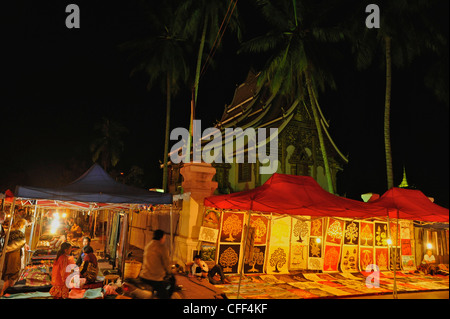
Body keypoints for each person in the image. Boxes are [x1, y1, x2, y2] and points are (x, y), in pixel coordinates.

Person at [139, 229, 174, 299]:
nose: (164, 240)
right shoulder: (162, 248)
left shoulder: (148, 246)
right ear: (161, 238)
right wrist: (170, 272)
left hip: (143, 276)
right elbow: (166, 263)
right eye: (164, 238)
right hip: (154, 279)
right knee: (165, 295)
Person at [0, 218, 28, 296]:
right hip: (14, 256)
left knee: (8, 275)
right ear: (22, 225)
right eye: (25, 226)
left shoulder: (10, 230)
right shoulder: (19, 233)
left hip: (7, 254)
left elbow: (11, 243)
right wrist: (24, 244)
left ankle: (6, 291)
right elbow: (19, 243)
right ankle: (4, 292)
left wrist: (24, 244)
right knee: (12, 274)